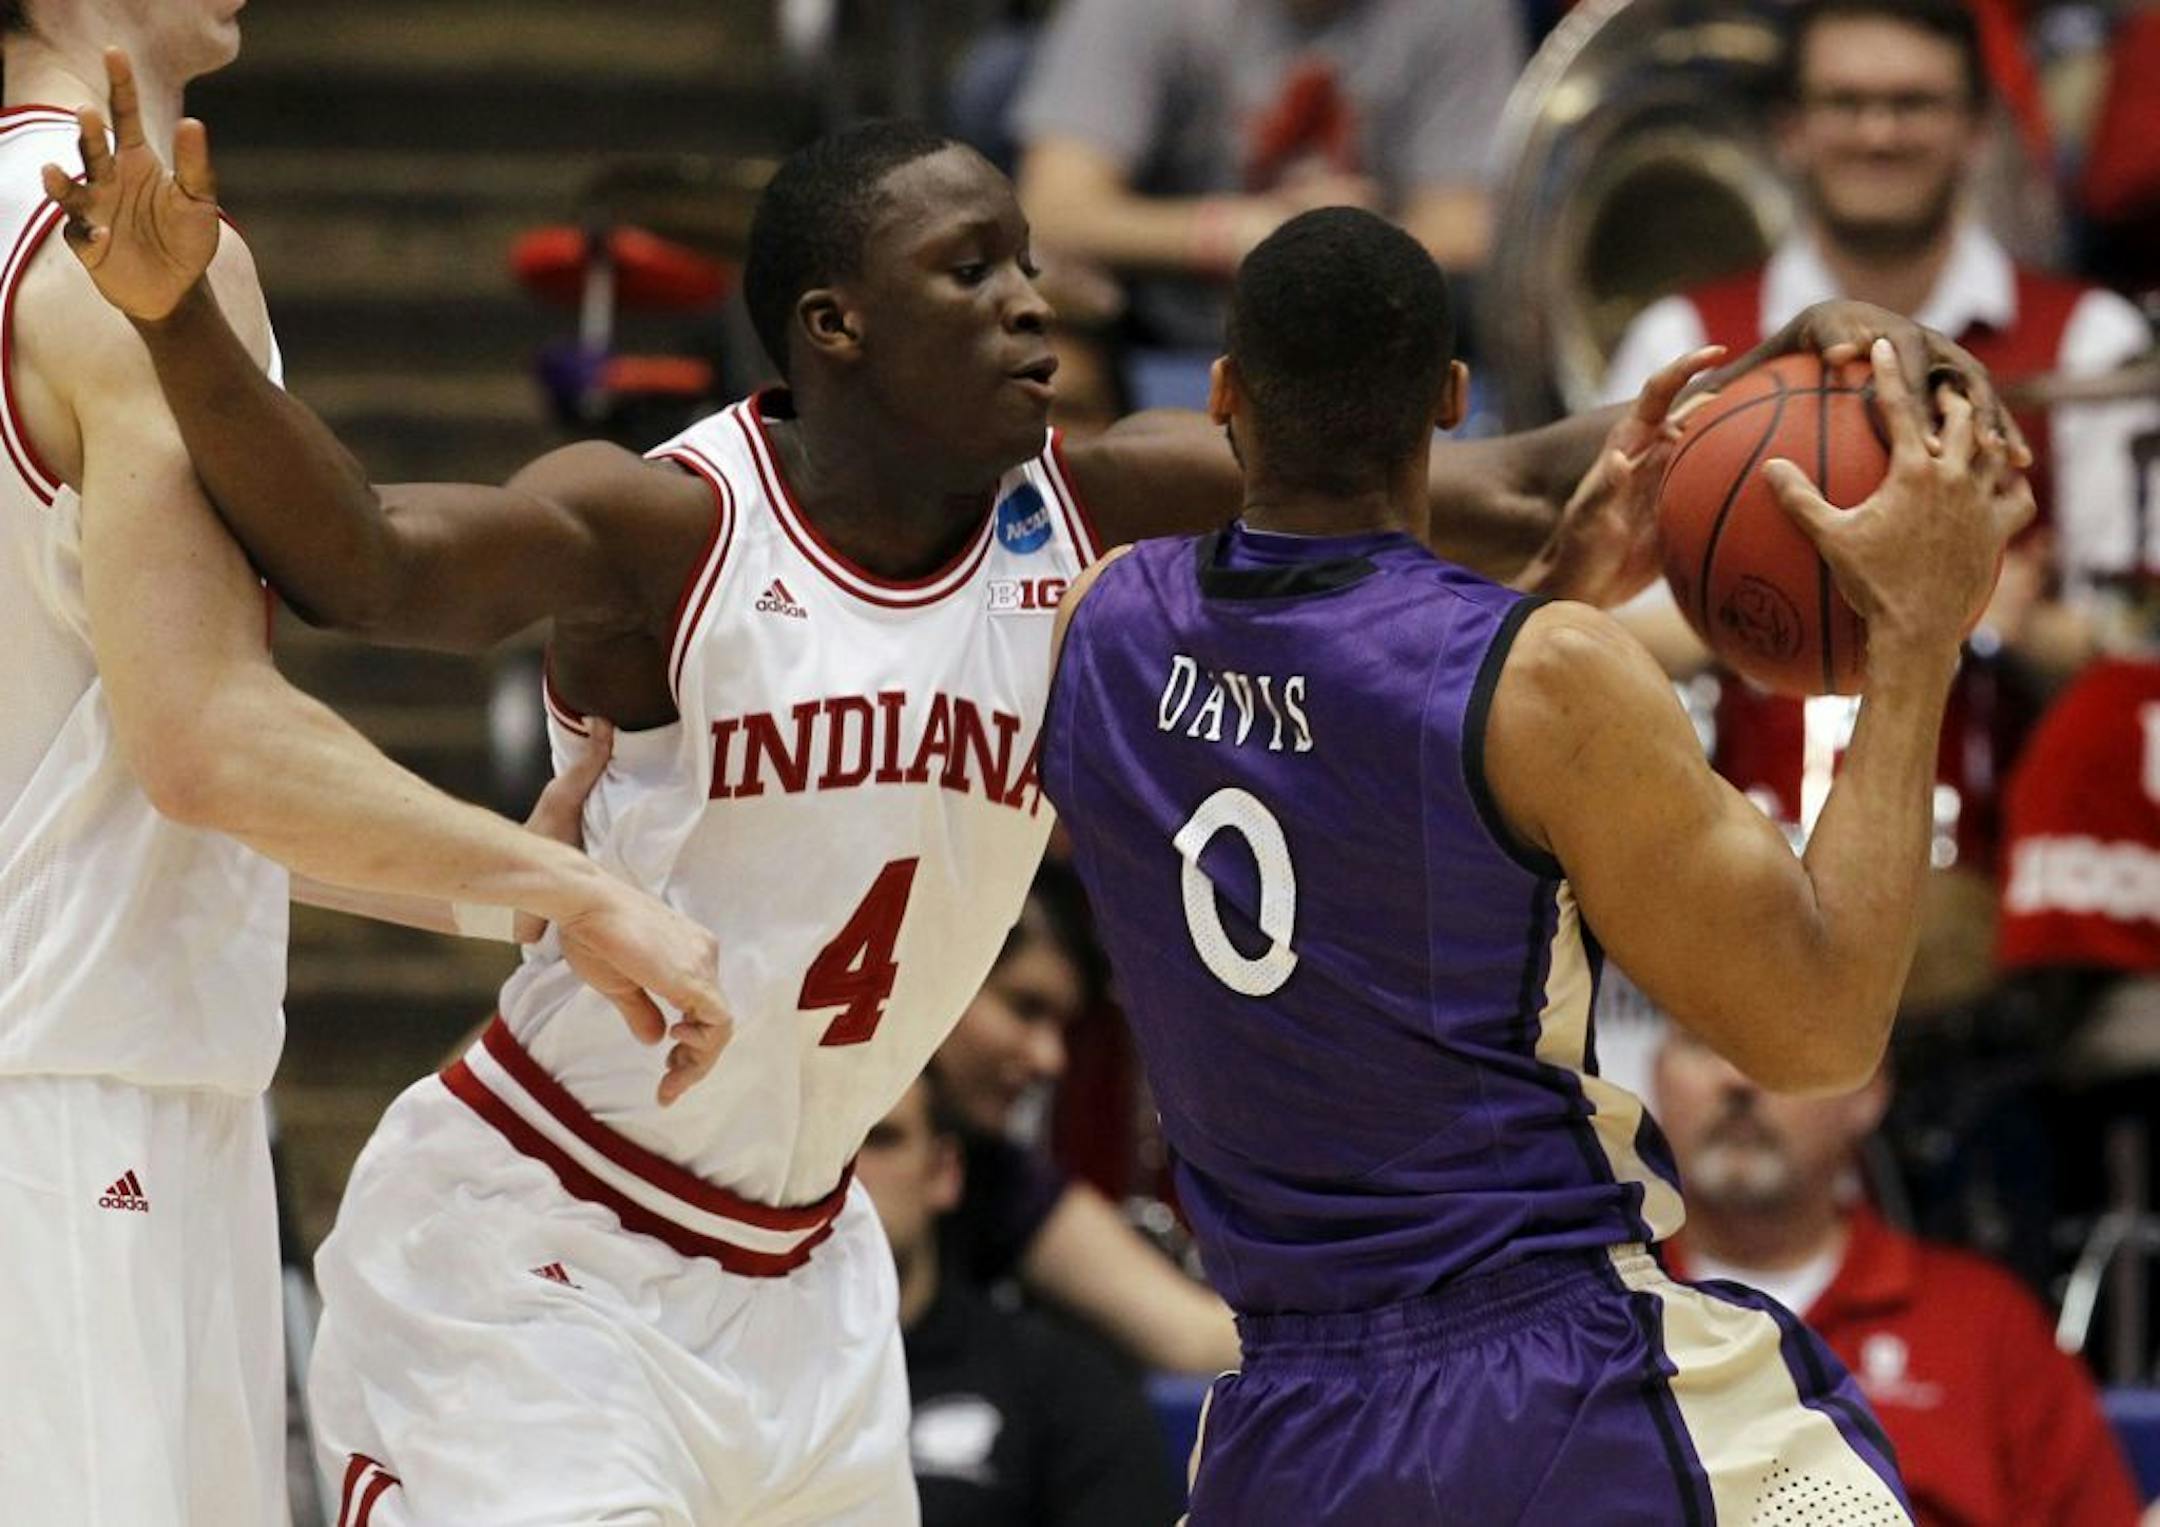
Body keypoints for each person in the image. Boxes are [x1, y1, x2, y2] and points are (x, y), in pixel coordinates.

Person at [50, 80, 2012, 1519]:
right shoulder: (664, 524)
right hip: (541, 1239)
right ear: (835, 327)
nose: (1026, 298)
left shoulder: (1086, 514)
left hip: (805, 1266)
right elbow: (370, 558)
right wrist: (175, 315)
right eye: (966, 268)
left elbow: (1492, 483)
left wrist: (1816, 363)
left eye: (1022, 257)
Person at [1041, 207, 2030, 1521]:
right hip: (1560, 1380)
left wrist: (1554, 577)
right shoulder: (1548, 678)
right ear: (1451, 400)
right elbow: (1820, 1026)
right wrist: (1914, 642)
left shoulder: (1095, 627)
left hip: (1285, 1418)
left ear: (1224, 390)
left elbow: (1349, 761)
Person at [0, 15, 727, 1527]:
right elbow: (202, 742)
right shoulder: (112, 248)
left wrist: (491, 896)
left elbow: (123, 764)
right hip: (71, 1110)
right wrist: (568, 879)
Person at [1652, 1023, 2145, 1526]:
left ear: (1867, 1090)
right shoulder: (1591, 1314)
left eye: (1778, 1046)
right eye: (1702, 1042)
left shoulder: (1986, 1325)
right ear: (1654, 1076)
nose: (1736, 1079)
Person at [1011, 0, 1522, 352]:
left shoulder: (1461, 10)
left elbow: (1467, 232)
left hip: (1374, 345)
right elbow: (1051, 211)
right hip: (1164, 337)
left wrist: (1336, 240)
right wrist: (1236, 233)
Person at [931, 874, 1241, 1374]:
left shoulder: (996, 1180)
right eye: (1025, 1007)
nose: (1049, 1059)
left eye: (1059, 1024)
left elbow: (1195, 1336)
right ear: (941, 977)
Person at [857, 1072, 1184, 1527]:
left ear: (943, 1171)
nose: (846, 1176)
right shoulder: (737, 1376)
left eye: (879, 1139)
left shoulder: (1061, 1387)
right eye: (821, 1151)